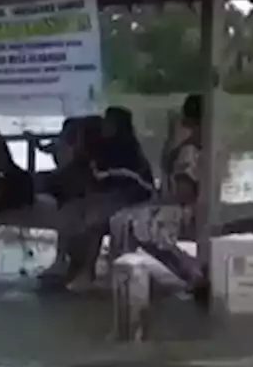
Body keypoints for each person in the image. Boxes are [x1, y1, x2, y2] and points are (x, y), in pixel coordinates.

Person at [104, 94, 209, 302]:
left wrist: (160, 202)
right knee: (129, 218)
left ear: (187, 120)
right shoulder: (205, 145)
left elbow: (183, 192)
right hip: (194, 206)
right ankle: (187, 271)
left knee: (129, 221)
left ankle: (188, 271)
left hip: (186, 208)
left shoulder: (190, 150)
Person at [50, 107, 157, 291]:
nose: (104, 125)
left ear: (118, 125)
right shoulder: (100, 145)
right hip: (112, 194)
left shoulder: (126, 149)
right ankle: (62, 261)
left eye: (109, 122)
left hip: (135, 196)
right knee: (72, 208)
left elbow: (121, 182)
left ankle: (88, 271)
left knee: (96, 218)